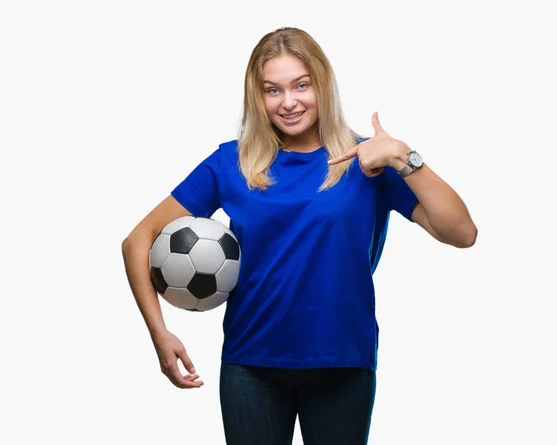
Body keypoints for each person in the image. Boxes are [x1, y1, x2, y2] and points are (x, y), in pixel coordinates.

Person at [121, 26, 477, 445]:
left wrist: (403, 158)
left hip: (342, 362)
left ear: (321, 85)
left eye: (301, 86)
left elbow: (462, 233)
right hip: (250, 363)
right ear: (258, 97)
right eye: (273, 90)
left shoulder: (369, 161)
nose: (289, 102)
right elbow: (138, 239)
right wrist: (160, 334)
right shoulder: (231, 162)